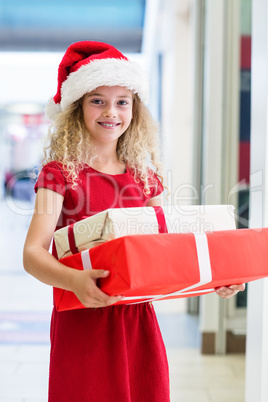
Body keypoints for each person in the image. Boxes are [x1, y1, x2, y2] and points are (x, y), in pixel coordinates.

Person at [23, 41, 245, 402]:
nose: (111, 111)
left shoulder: (145, 176)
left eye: (122, 101)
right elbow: (33, 253)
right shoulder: (59, 174)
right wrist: (75, 280)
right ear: (77, 108)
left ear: (134, 110)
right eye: (98, 100)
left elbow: (170, 250)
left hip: (137, 322)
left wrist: (216, 279)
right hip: (82, 317)